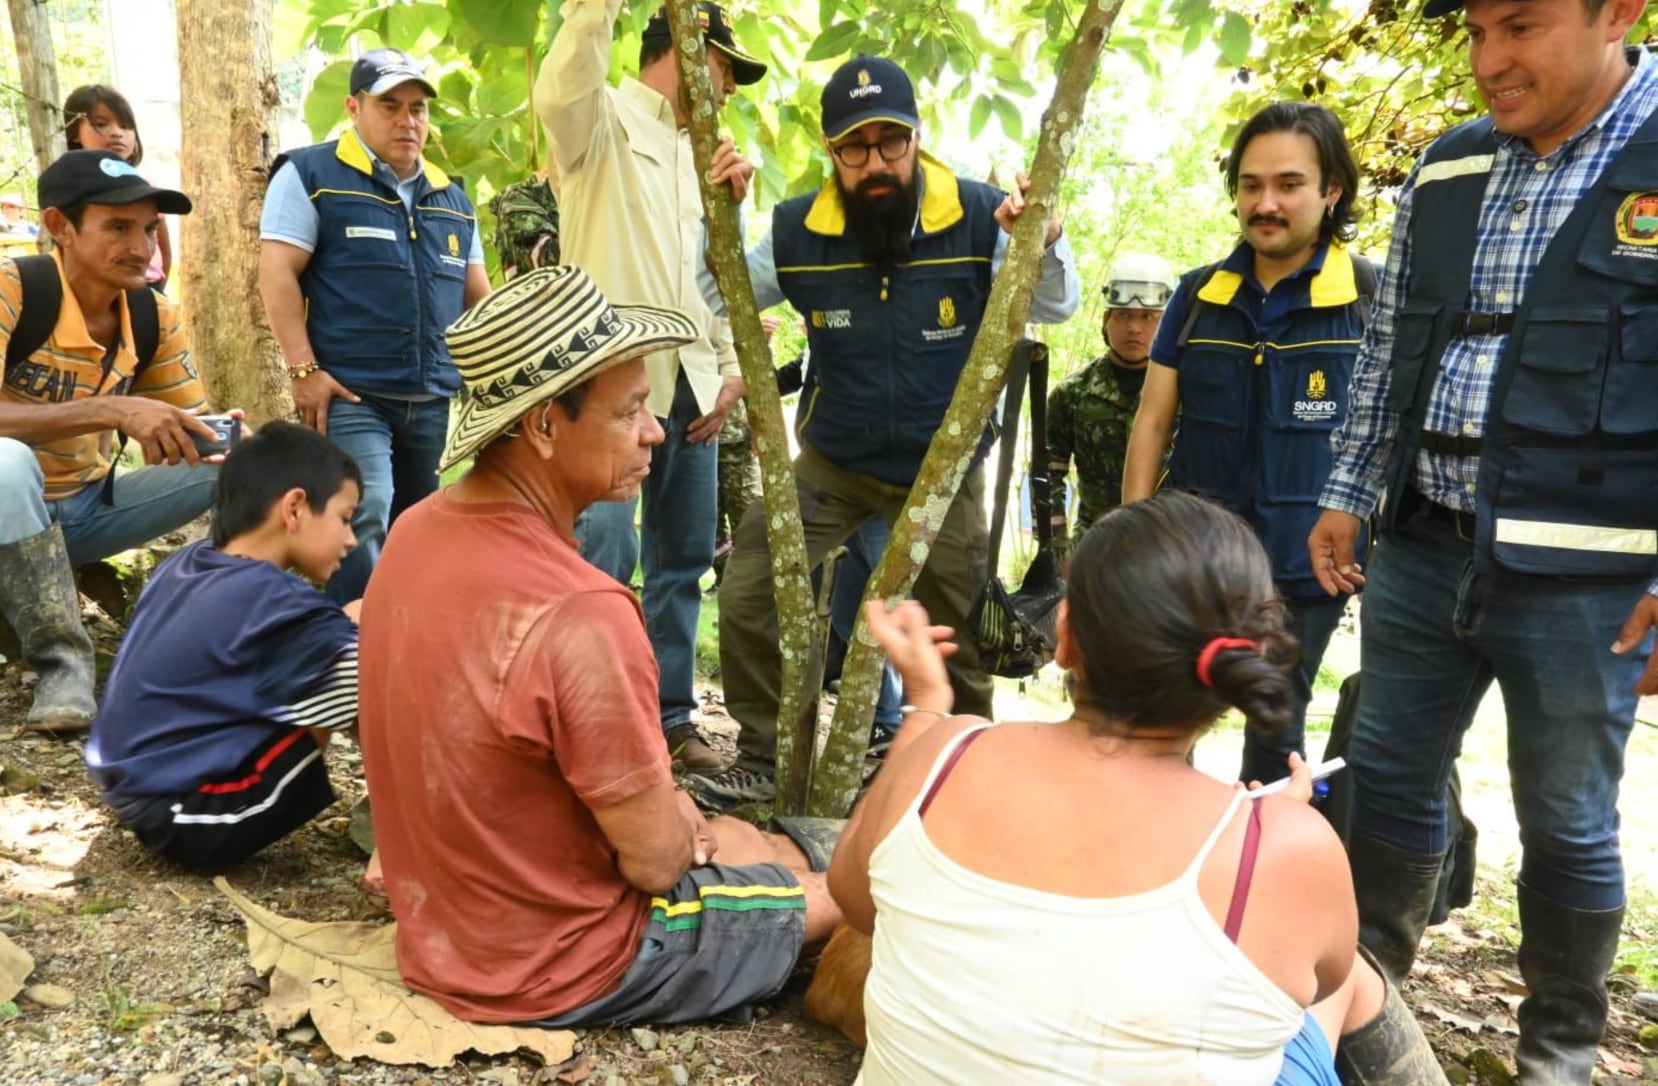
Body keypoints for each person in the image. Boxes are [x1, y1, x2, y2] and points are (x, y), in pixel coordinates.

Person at [1306, 0, 1658, 1078]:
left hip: (1586, 579)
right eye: (1470, 33)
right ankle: (1368, 1013)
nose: (1485, 62)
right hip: (1419, 549)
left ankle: (1553, 1050)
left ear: (1620, 13)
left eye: (1517, 27)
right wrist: (1347, 490)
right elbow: (1386, 347)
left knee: (1565, 819)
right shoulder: (1450, 169)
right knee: (1386, 775)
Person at [355, 266, 841, 1026]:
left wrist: (683, 817)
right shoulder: (583, 610)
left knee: (750, 836)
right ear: (545, 425)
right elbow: (653, 865)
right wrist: (681, 827)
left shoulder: (415, 533)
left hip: (443, 932)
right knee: (845, 894)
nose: (656, 431)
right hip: (565, 960)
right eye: (631, 411)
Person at [827, 493, 1445, 1085]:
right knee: (1351, 980)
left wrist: (927, 709)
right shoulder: (1286, 848)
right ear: (1233, 671)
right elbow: (1319, 975)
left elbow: (854, 898)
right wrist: (1277, 839)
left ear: (1065, 637)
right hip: (1274, 861)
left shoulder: (945, 754)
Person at [691, 54, 1081, 808]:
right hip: (834, 460)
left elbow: (1057, 306)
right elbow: (722, 290)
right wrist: (727, 213)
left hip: (943, 469)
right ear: (831, 151)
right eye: (853, 148)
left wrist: (1044, 236)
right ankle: (768, 756)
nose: (874, 163)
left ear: (915, 137)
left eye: (889, 143)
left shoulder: (976, 213)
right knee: (747, 591)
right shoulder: (799, 229)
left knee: (961, 628)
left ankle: (962, 775)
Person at [535, 0, 764, 772]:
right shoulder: (599, 122)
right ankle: (588, 719)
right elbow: (561, 89)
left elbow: (715, 277)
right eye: (725, 69)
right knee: (602, 554)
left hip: (693, 389)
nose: (728, 90)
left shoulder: (708, 159)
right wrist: (595, 11)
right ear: (689, 52)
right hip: (609, 387)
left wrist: (729, 362)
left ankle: (668, 718)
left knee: (683, 562)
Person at [1122, 102, 1366, 787]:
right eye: (1250, 185)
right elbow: (1152, 419)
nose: (1266, 203)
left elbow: (1390, 435)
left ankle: (1260, 874)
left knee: (1276, 727)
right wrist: (1131, 536)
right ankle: (1153, 857)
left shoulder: (1369, 301)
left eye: (1288, 184)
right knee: (1159, 710)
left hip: (1307, 567)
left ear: (1330, 191)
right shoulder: (1200, 297)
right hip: (1193, 558)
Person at [0, 149, 224, 734]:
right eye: (118, 227)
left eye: (149, 229)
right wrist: (109, 409)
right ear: (59, 227)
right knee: (7, 462)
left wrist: (215, 434)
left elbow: (188, 418)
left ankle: (226, 638)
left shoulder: (154, 316)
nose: (142, 247)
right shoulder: (11, 290)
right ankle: (61, 665)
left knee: (235, 464)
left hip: (82, 510)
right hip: (5, 507)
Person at [259, 47, 491, 605]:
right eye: (390, 106)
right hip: (352, 394)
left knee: (418, 528)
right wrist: (303, 370)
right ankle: (354, 653)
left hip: (432, 399)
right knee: (365, 513)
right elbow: (277, 273)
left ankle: (403, 644)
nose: (407, 121)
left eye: (417, 108)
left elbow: (476, 297)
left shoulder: (452, 198)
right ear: (354, 107)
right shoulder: (310, 174)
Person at [86, 422, 361, 869]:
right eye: (345, 518)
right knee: (368, 637)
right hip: (195, 818)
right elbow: (369, 687)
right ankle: (401, 837)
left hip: (132, 792)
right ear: (294, 508)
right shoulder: (272, 600)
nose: (351, 539)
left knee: (348, 631)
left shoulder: (190, 563)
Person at [1045, 252, 1173, 556]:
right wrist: (1059, 550)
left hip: (1171, 542)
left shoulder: (1186, 391)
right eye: (1123, 315)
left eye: (1148, 317)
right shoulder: (1072, 394)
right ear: (1106, 321)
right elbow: (1048, 477)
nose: (1134, 328)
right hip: (1097, 543)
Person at [63, 85, 170, 289]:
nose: (116, 133)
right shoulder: (72, 189)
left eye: (125, 126)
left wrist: (159, 286)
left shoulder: (148, 187)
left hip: (148, 282)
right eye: (101, 124)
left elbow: (165, 249)